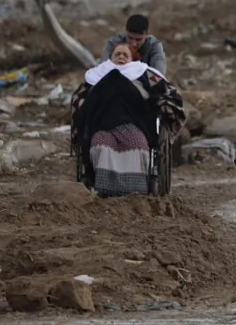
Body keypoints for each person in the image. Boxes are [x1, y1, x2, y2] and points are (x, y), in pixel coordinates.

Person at [70, 43, 185, 197]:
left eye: (125, 54)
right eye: (117, 54)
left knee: (137, 144)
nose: (121, 57)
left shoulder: (144, 73)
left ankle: (134, 191)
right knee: (100, 144)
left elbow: (170, 94)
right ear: (110, 58)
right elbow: (78, 100)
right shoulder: (96, 76)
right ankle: (104, 190)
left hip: (134, 124)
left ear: (133, 59)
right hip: (101, 125)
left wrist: (164, 109)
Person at [102, 14, 167, 76]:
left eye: (138, 40)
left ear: (146, 35)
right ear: (126, 32)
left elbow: (159, 76)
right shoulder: (114, 43)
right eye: (130, 38)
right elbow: (101, 68)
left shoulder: (154, 46)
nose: (133, 44)